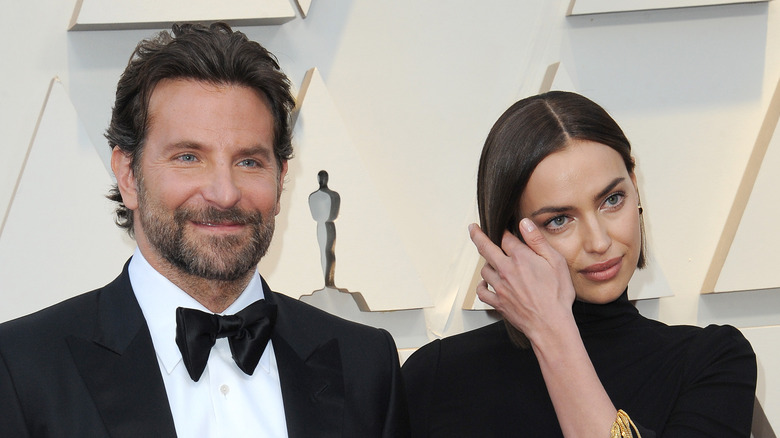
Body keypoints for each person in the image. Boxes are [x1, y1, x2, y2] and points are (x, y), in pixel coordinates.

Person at [0, 22, 408, 437]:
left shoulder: (365, 364)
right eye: (188, 157)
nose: (224, 193)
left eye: (249, 161)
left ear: (281, 178)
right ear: (128, 175)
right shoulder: (21, 370)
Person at [402, 91, 756, 437]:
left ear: (635, 187)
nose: (599, 241)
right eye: (558, 220)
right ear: (510, 236)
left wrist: (552, 332)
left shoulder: (712, 362)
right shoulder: (437, 376)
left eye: (612, 199)